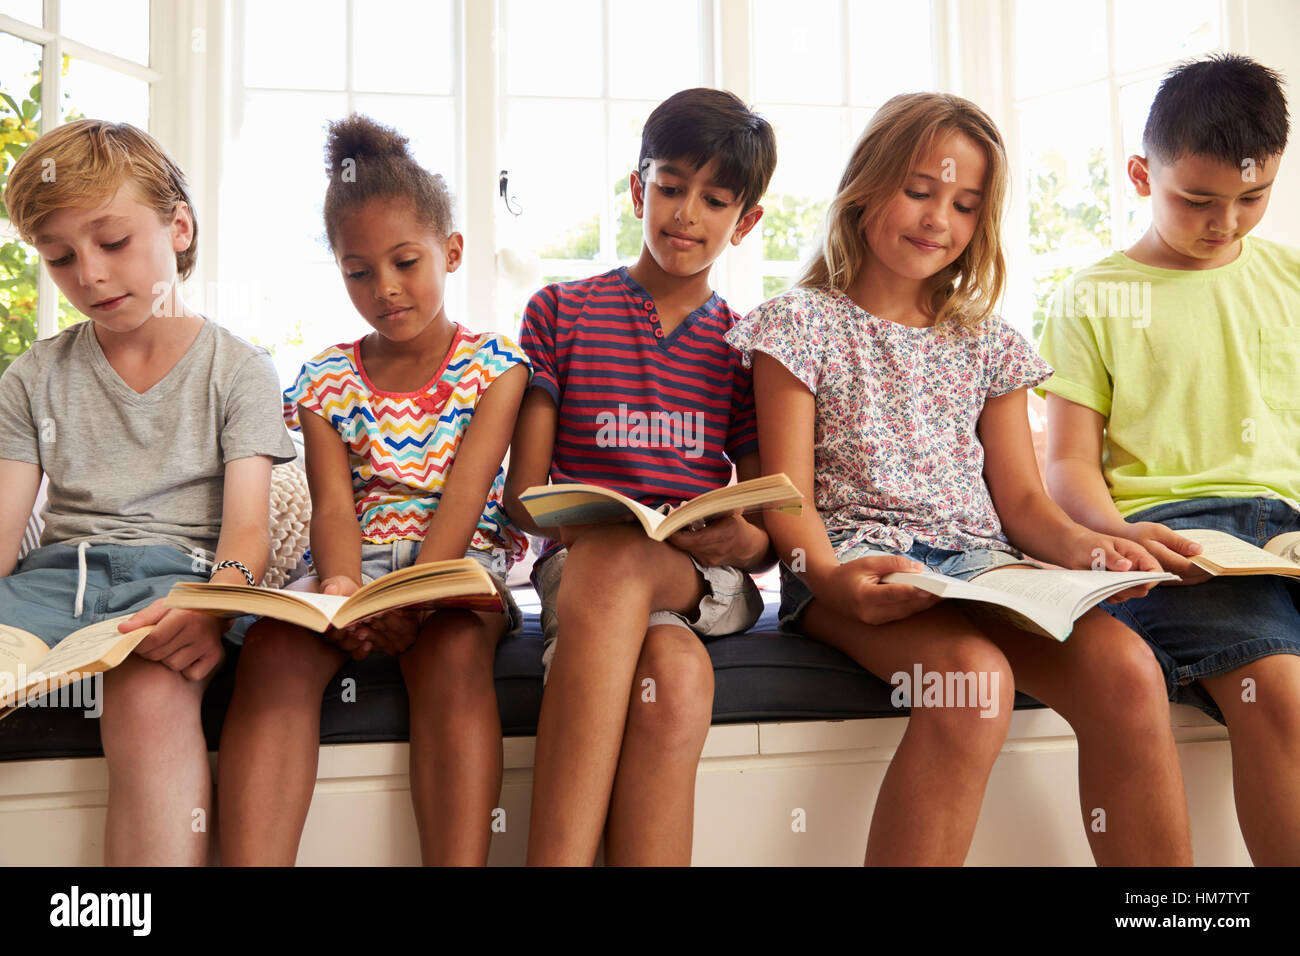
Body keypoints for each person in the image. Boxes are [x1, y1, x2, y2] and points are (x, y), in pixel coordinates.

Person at [730, 92, 1193, 865]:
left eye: (966, 204)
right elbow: (788, 498)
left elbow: (1023, 504)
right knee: (973, 685)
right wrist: (838, 582)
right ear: (867, 186)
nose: (937, 218)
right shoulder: (797, 323)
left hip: (985, 569)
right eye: (919, 189)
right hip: (859, 562)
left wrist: (1092, 552)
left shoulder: (988, 344)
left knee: (1128, 670)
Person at [218, 115, 530, 866]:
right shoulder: (325, 378)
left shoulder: (496, 367)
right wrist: (342, 590)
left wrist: (414, 599)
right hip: (350, 566)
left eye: (405, 262)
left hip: (452, 568)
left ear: (449, 253)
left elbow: (465, 495)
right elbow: (331, 505)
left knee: (453, 653)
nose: (385, 289)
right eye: (359, 272)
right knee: (270, 650)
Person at [0, 119, 294, 865]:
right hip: (49, 588)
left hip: (179, 584)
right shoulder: (33, 377)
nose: (89, 276)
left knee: (149, 697)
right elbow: (4, 534)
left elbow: (248, 534)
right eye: (60, 257)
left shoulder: (239, 371)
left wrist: (215, 608)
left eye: (112, 242)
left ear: (180, 226)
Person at [503, 88, 777, 865]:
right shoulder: (559, 311)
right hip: (584, 575)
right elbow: (524, 502)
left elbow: (766, 536)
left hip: (700, 580)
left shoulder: (742, 346)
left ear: (745, 220)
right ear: (637, 188)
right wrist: (581, 517)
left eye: (714, 199)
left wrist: (739, 536)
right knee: (676, 679)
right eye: (670, 187)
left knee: (630, 567)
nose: (686, 213)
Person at [1039, 53, 1299, 865]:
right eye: (1198, 200)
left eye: (1252, 198)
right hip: (1179, 542)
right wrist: (1116, 535)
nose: (1226, 222)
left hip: (1288, 540)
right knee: (1284, 700)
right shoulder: (1090, 297)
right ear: (1140, 174)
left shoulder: (1290, 279)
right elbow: (1068, 463)